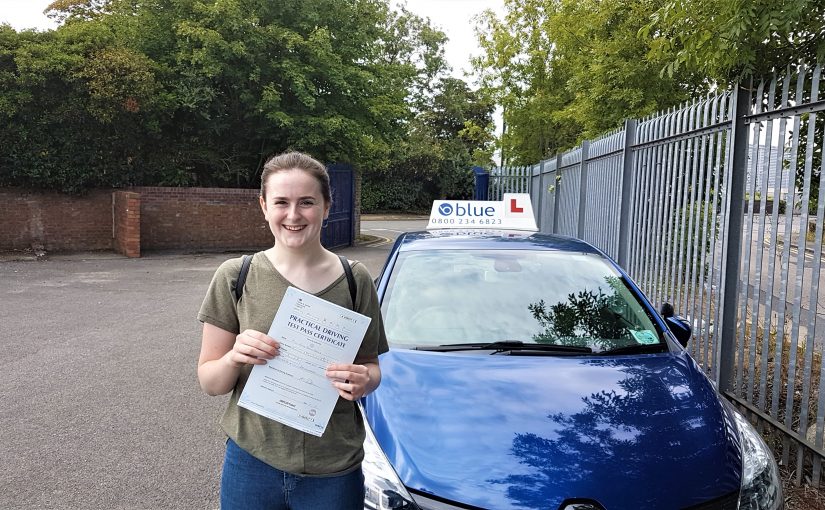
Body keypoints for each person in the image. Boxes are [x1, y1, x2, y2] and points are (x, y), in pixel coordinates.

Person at [196, 151, 388, 510]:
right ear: (264, 206)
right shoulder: (235, 276)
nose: (294, 215)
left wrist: (364, 379)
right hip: (252, 463)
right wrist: (235, 356)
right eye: (281, 202)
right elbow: (210, 382)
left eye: (307, 202)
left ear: (327, 206)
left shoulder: (354, 279)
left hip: (333, 468)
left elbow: (371, 366)